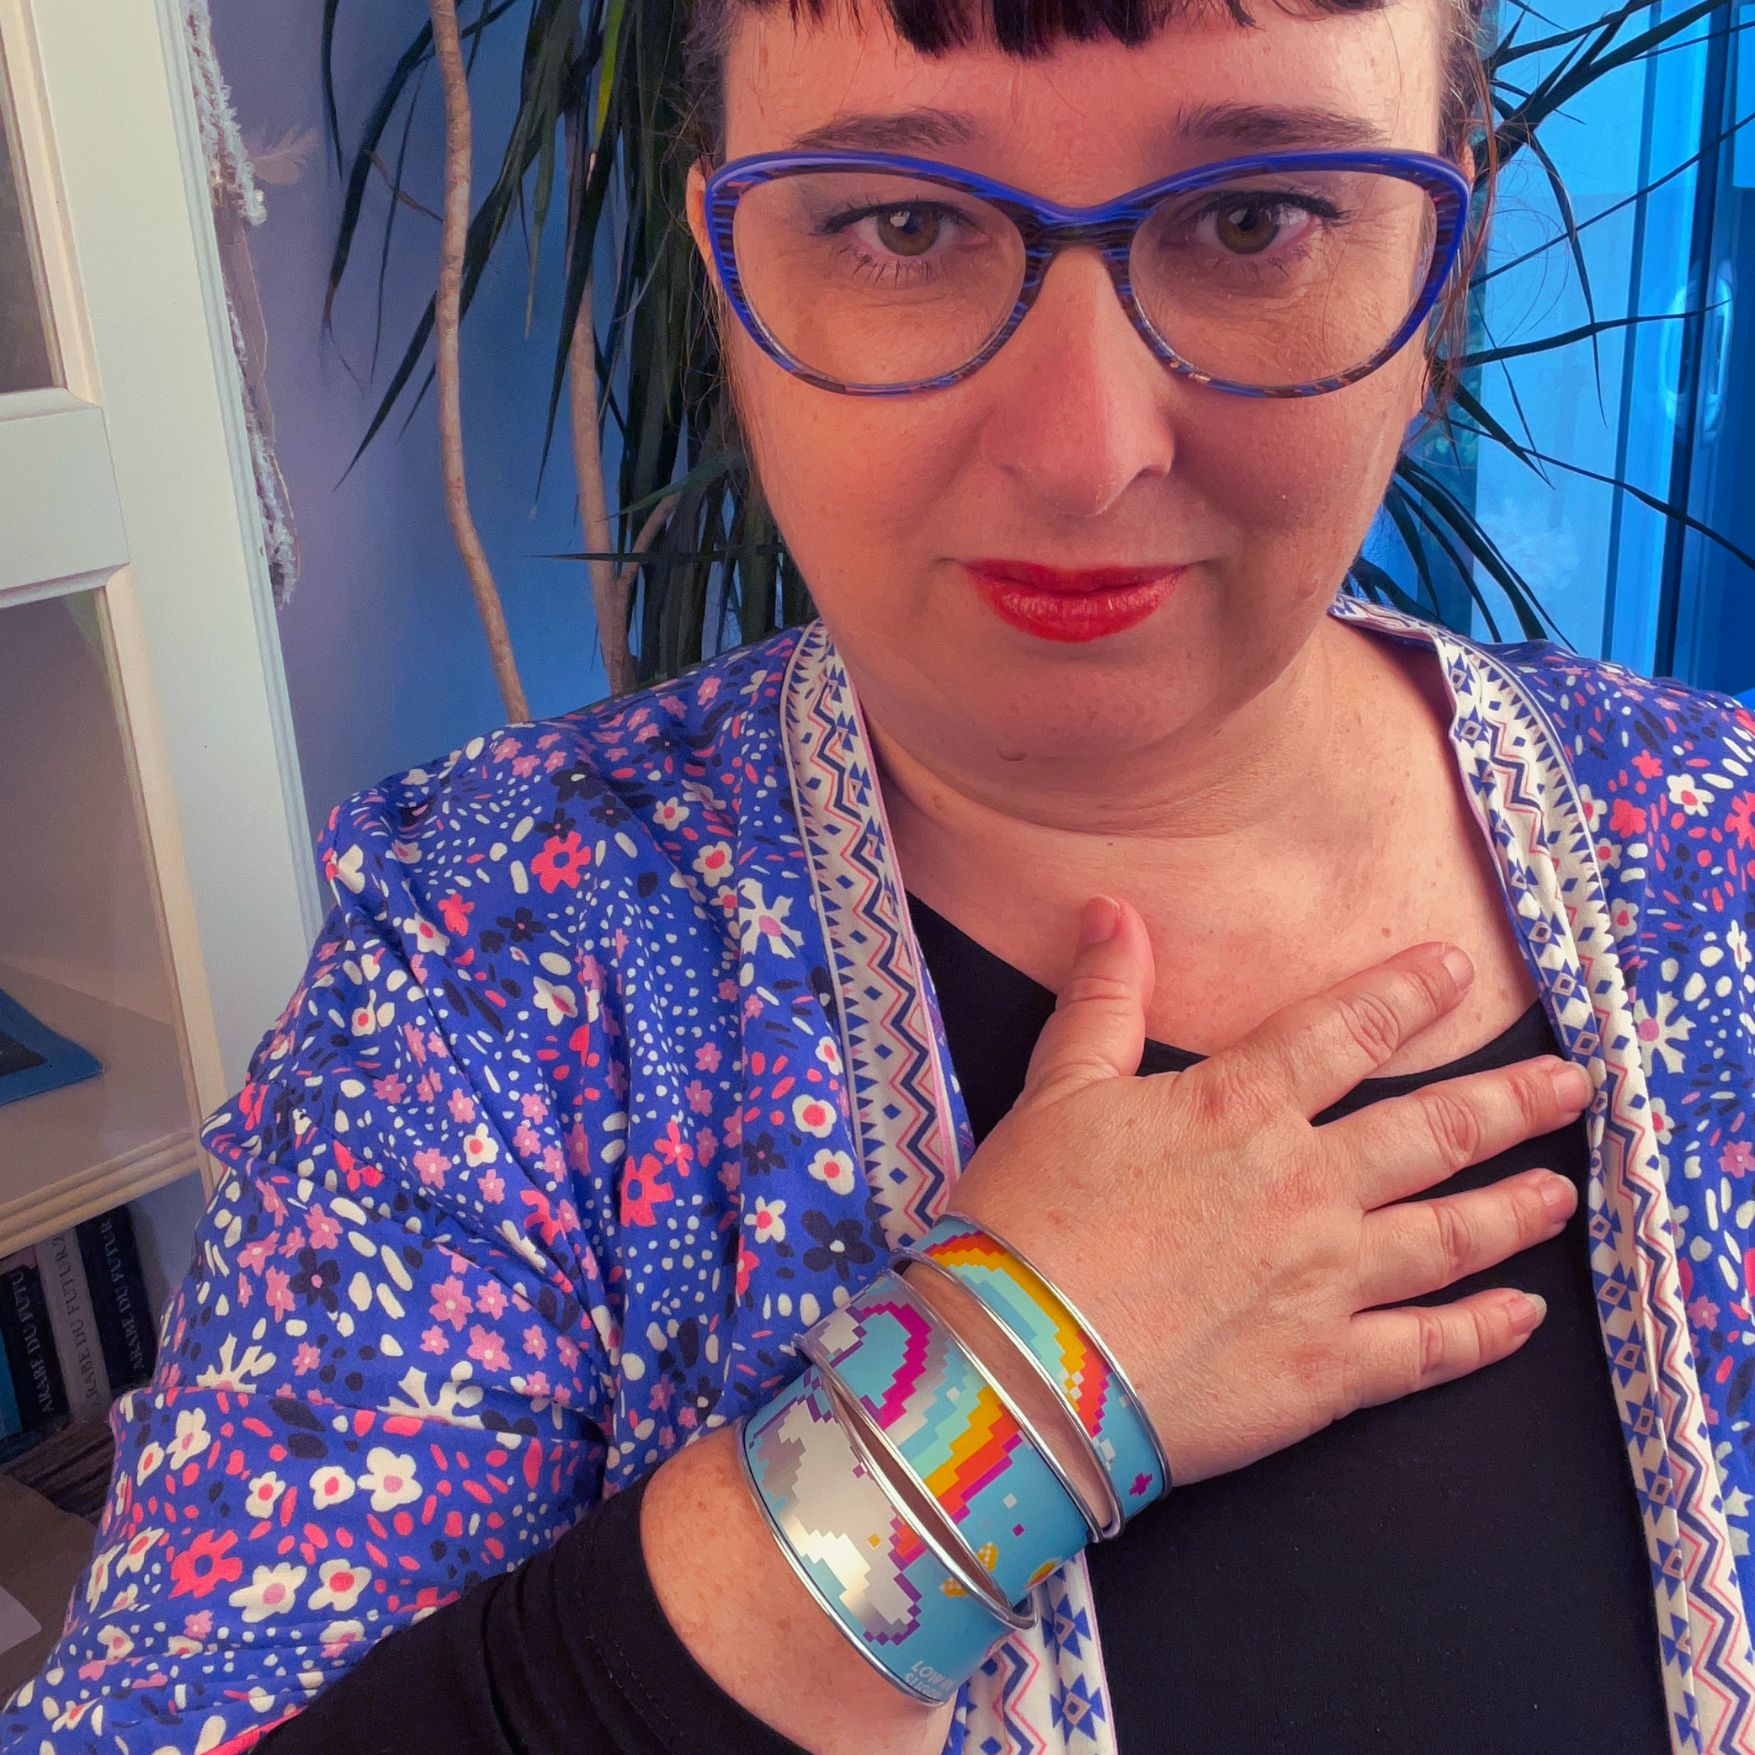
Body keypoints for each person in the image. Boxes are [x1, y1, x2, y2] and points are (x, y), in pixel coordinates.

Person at [7, 0, 1755, 1750]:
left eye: (1257, 217)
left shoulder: (1721, 843)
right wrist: (1005, 1396)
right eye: (901, 224)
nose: (1084, 452)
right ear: (725, 271)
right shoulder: (501, 958)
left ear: (1445, 258)